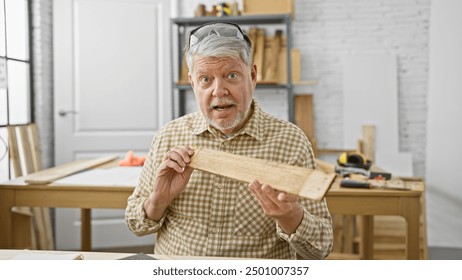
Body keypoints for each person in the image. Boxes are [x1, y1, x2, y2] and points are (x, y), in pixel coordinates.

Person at [125, 22, 333, 259]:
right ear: (193, 83)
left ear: (252, 76)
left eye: (231, 76)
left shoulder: (291, 142)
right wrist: (158, 201)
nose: (219, 91)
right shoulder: (169, 136)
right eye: (205, 79)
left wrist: (290, 216)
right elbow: (136, 225)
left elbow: (321, 248)